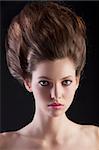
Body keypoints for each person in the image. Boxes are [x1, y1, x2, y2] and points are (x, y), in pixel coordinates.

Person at [0, 2, 99, 150]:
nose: (56, 94)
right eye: (44, 83)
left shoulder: (95, 139)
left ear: (77, 81)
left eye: (66, 82)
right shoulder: (5, 145)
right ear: (28, 82)